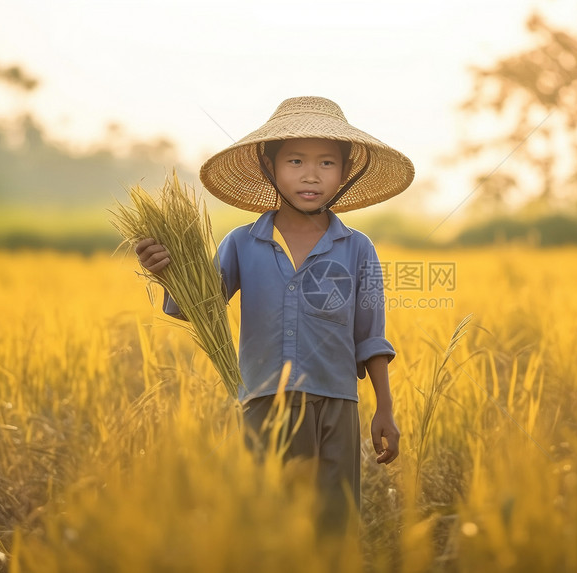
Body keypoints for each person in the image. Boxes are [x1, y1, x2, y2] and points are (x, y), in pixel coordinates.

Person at [134, 96, 415, 534]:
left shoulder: (358, 248)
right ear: (270, 168)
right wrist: (167, 273)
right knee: (268, 529)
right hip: (264, 405)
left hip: (337, 407)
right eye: (296, 161)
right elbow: (201, 309)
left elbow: (370, 337)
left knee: (335, 528)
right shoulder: (242, 243)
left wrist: (385, 409)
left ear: (345, 173)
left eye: (326, 163)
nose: (310, 174)